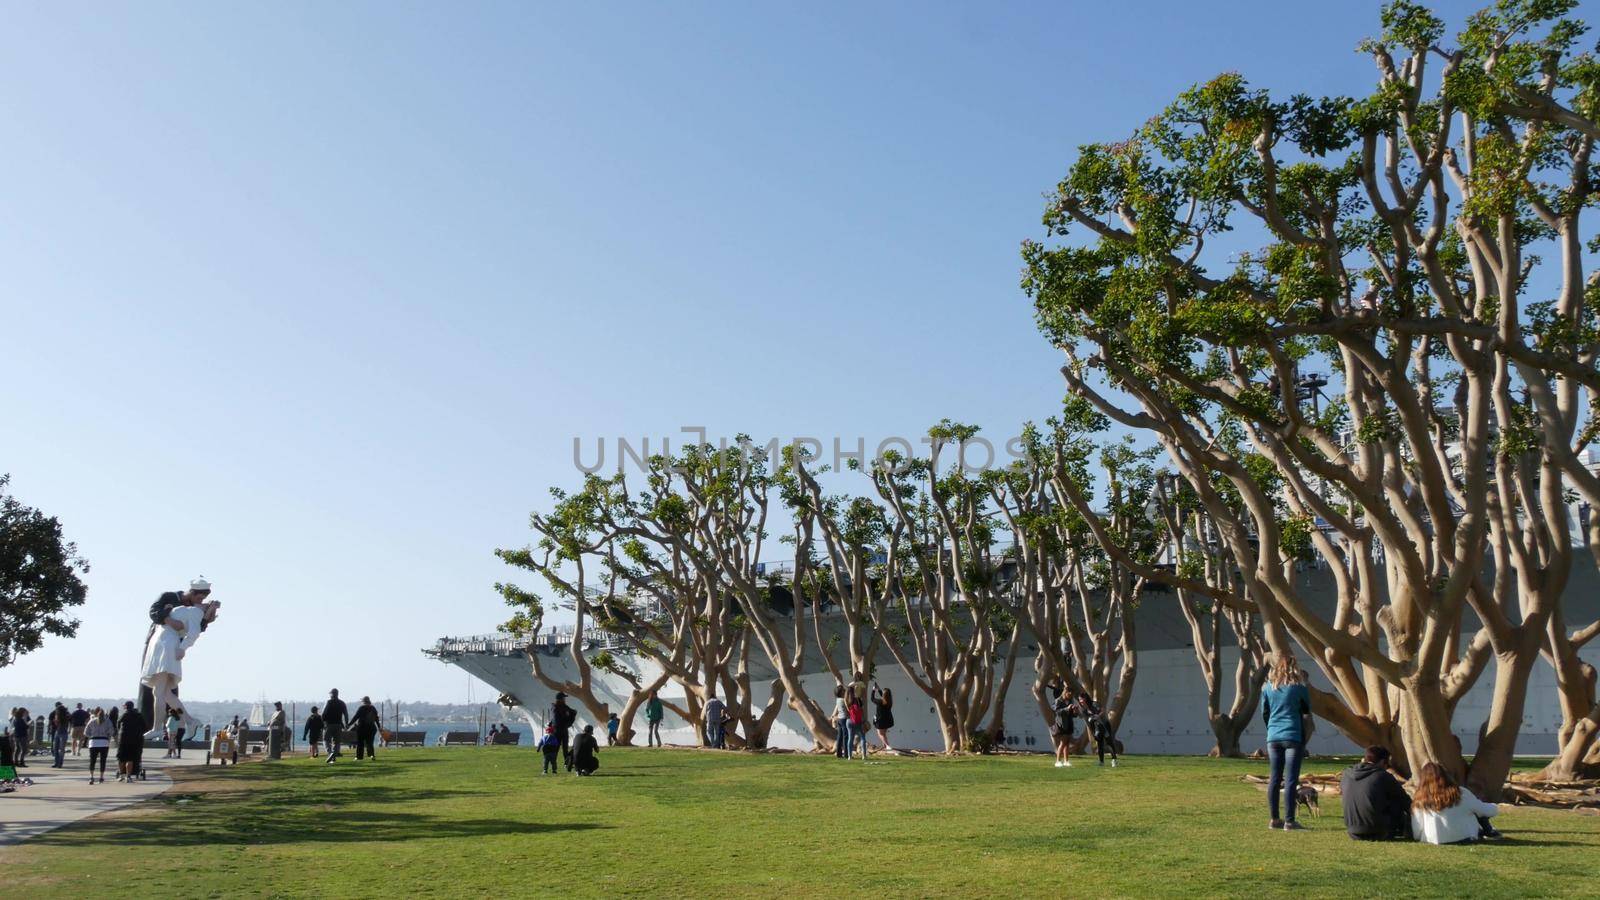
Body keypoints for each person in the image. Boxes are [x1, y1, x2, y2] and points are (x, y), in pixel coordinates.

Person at [1261, 652, 1313, 831]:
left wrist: (1272, 728)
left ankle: (1274, 819)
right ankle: (1290, 821)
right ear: (1294, 668)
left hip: (1273, 737)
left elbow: (1265, 712)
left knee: (1275, 778)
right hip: (1293, 736)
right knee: (1291, 779)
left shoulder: (1268, 688)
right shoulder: (1299, 687)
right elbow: (1306, 712)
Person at [1411, 762, 1500, 845]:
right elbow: (1488, 811)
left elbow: (1417, 831)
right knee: (1476, 809)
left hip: (1432, 839)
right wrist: (1494, 807)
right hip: (1464, 837)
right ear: (1445, 776)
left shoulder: (1419, 799)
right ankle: (1489, 831)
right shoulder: (1461, 793)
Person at [1340, 746, 1411, 841]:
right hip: (1379, 831)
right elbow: (1406, 802)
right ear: (1382, 762)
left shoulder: (1346, 774)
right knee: (1396, 801)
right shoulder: (1382, 776)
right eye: (1387, 763)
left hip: (1352, 831)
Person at [1080, 693, 1118, 768]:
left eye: (1081, 699)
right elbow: (1088, 722)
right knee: (1100, 744)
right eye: (1079, 699)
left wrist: (1097, 716)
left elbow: (1102, 710)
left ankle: (1114, 760)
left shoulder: (1094, 704)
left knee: (1109, 742)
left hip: (1104, 725)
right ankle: (1101, 762)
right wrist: (1093, 732)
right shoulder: (1084, 710)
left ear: (1085, 698)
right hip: (1096, 728)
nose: (1080, 701)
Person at [116, 701, 147, 782]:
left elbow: (118, 726)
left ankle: (122, 775)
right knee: (130, 758)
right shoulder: (138, 715)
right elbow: (145, 727)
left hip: (123, 739)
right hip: (135, 740)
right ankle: (128, 776)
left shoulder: (123, 715)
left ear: (126, 706)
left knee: (121, 758)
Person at [549, 693, 578, 770]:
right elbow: (557, 721)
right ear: (560, 699)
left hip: (561, 730)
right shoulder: (556, 708)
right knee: (557, 748)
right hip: (558, 730)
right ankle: (555, 764)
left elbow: (572, 712)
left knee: (563, 748)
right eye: (564, 698)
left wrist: (571, 716)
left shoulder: (562, 707)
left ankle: (566, 763)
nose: (565, 699)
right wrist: (568, 720)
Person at [84, 707, 113, 784]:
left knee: (92, 761)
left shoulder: (92, 721)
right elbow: (111, 732)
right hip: (104, 742)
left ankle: (91, 777)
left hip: (93, 742)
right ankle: (101, 777)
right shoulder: (108, 721)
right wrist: (107, 736)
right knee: (103, 761)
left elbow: (86, 732)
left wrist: (91, 736)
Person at [1050, 685, 1077, 768]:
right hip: (1061, 724)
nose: (1070, 696)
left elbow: (1072, 715)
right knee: (1062, 743)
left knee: (1067, 743)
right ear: (1065, 693)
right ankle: (1058, 761)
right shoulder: (1058, 701)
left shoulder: (1070, 701)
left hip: (1069, 724)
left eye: (1071, 695)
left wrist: (1074, 711)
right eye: (1069, 694)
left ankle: (1066, 761)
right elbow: (1057, 711)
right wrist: (1066, 709)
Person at [323, 689, 349, 763]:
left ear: (332, 694)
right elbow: (346, 714)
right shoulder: (342, 703)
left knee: (326, 740)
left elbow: (323, 714)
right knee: (337, 742)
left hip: (329, 724)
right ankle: (333, 756)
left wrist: (323, 723)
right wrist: (346, 724)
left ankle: (330, 753)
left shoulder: (328, 702)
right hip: (338, 725)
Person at [351, 696, 381, 761]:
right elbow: (376, 719)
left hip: (362, 727)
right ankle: (371, 755)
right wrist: (379, 727)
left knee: (360, 743)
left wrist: (349, 724)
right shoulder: (373, 708)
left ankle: (359, 757)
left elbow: (356, 717)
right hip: (372, 728)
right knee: (370, 742)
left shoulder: (361, 708)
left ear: (363, 701)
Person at [871, 684, 895, 751]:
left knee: (880, 734)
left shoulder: (880, 702)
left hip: (880, 720)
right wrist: (879, 690)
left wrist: (873, 690)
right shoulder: (889, 701)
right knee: (883, 734)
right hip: (888, 720)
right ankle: (885, 745)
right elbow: (884, 696)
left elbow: (872, 699)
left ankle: (887, 745)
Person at [845, 692, 868, 760]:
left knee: (850, 738)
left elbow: (845, 700)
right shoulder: (859, 703)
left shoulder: (848, 703)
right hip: (858, 722)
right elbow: (862, 713)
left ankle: (849, 756)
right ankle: (864, 755)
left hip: (849, 721)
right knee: (862, 738)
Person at [831, 686, 849, 759]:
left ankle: (839, 754)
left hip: (839, 719)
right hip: (844, 719)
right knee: (845, 737)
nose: (845, 691)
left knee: (840, 736)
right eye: (843, 690)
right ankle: (846, 754)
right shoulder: (843, 700)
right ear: (841, 692)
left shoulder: (838, 700)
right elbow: (847, 708)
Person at [50, 702, 70, 767]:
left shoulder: (64, 716)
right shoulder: (65, 715)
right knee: (59, 748)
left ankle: (58, 763)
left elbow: (57, 724)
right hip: (61, 732)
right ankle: (59, 763)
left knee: (58, 749)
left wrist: (56, 720)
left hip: (60, 732)